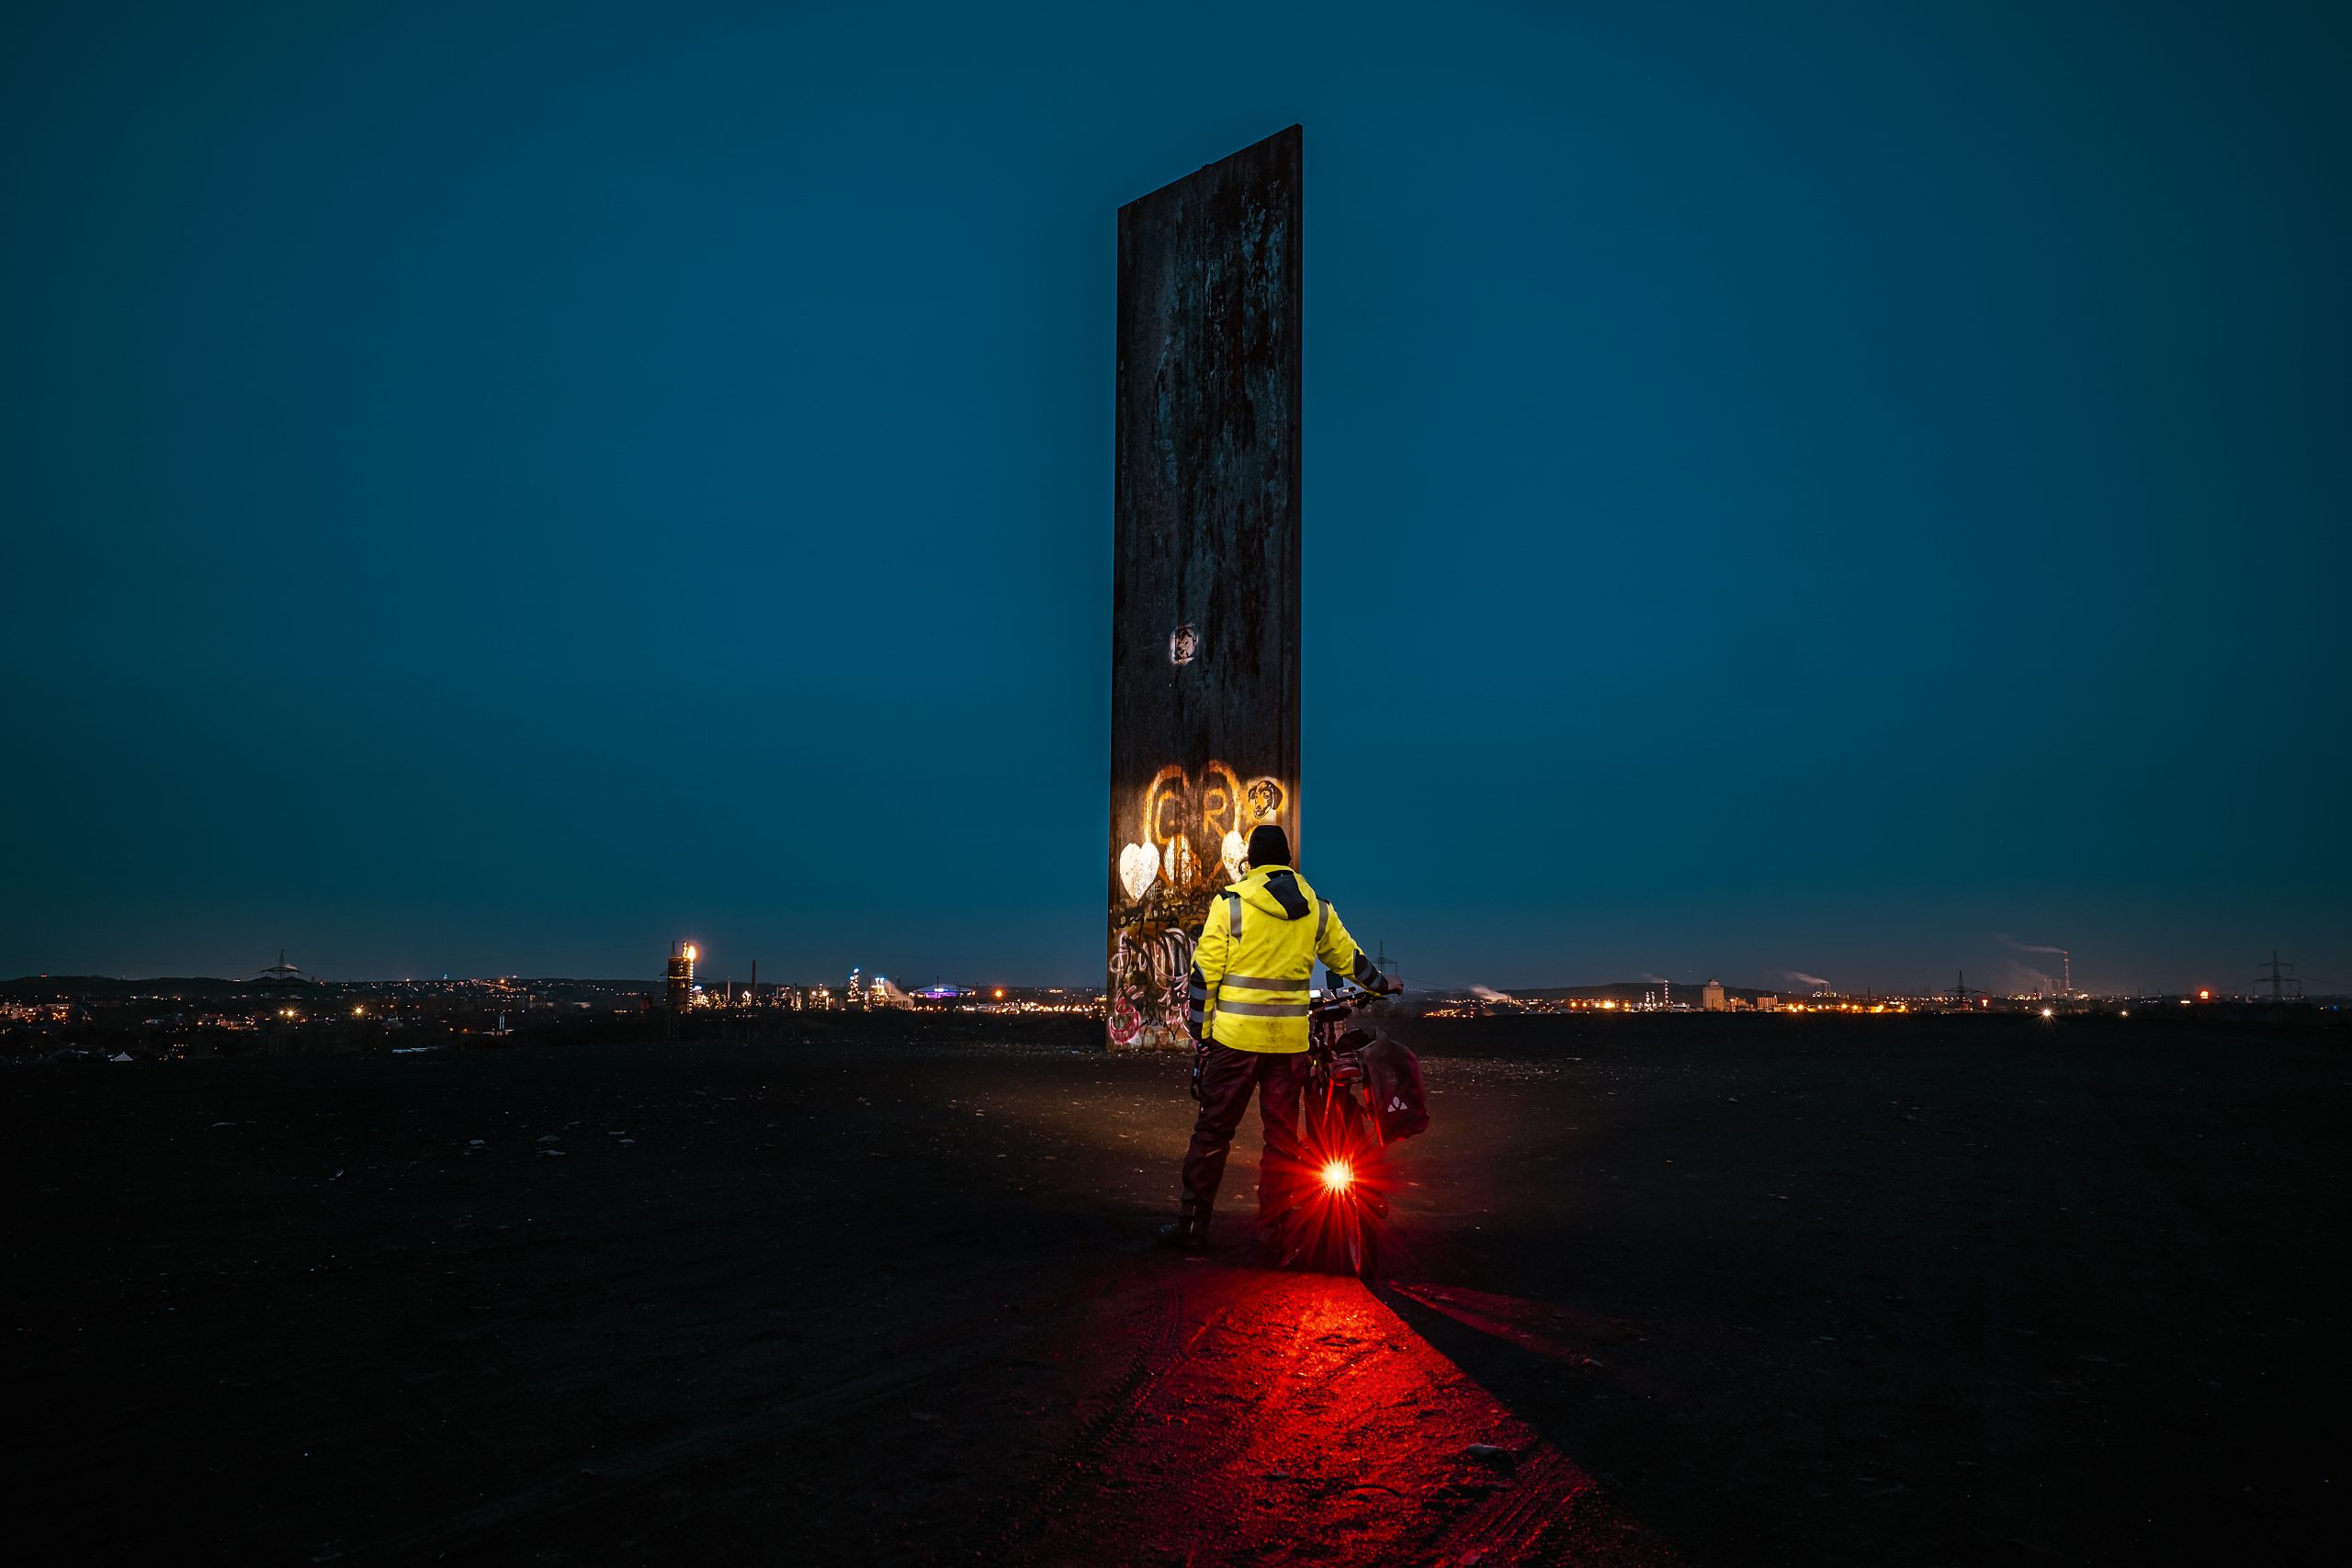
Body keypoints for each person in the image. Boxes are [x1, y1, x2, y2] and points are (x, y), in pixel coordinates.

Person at [1159, 823, 1396, 1254]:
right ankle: (1274, 1233)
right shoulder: (1317, 909)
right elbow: (1351, 959)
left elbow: (1202, 977)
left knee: (1213, 1134)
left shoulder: (1230, 905)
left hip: (1232, 1042)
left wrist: (1201, 1033)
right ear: (1288, 862)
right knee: (1281, 1141)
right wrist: (1384, 984)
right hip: (1288, 1047)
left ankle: (1192, 1228)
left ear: (1249, 862)